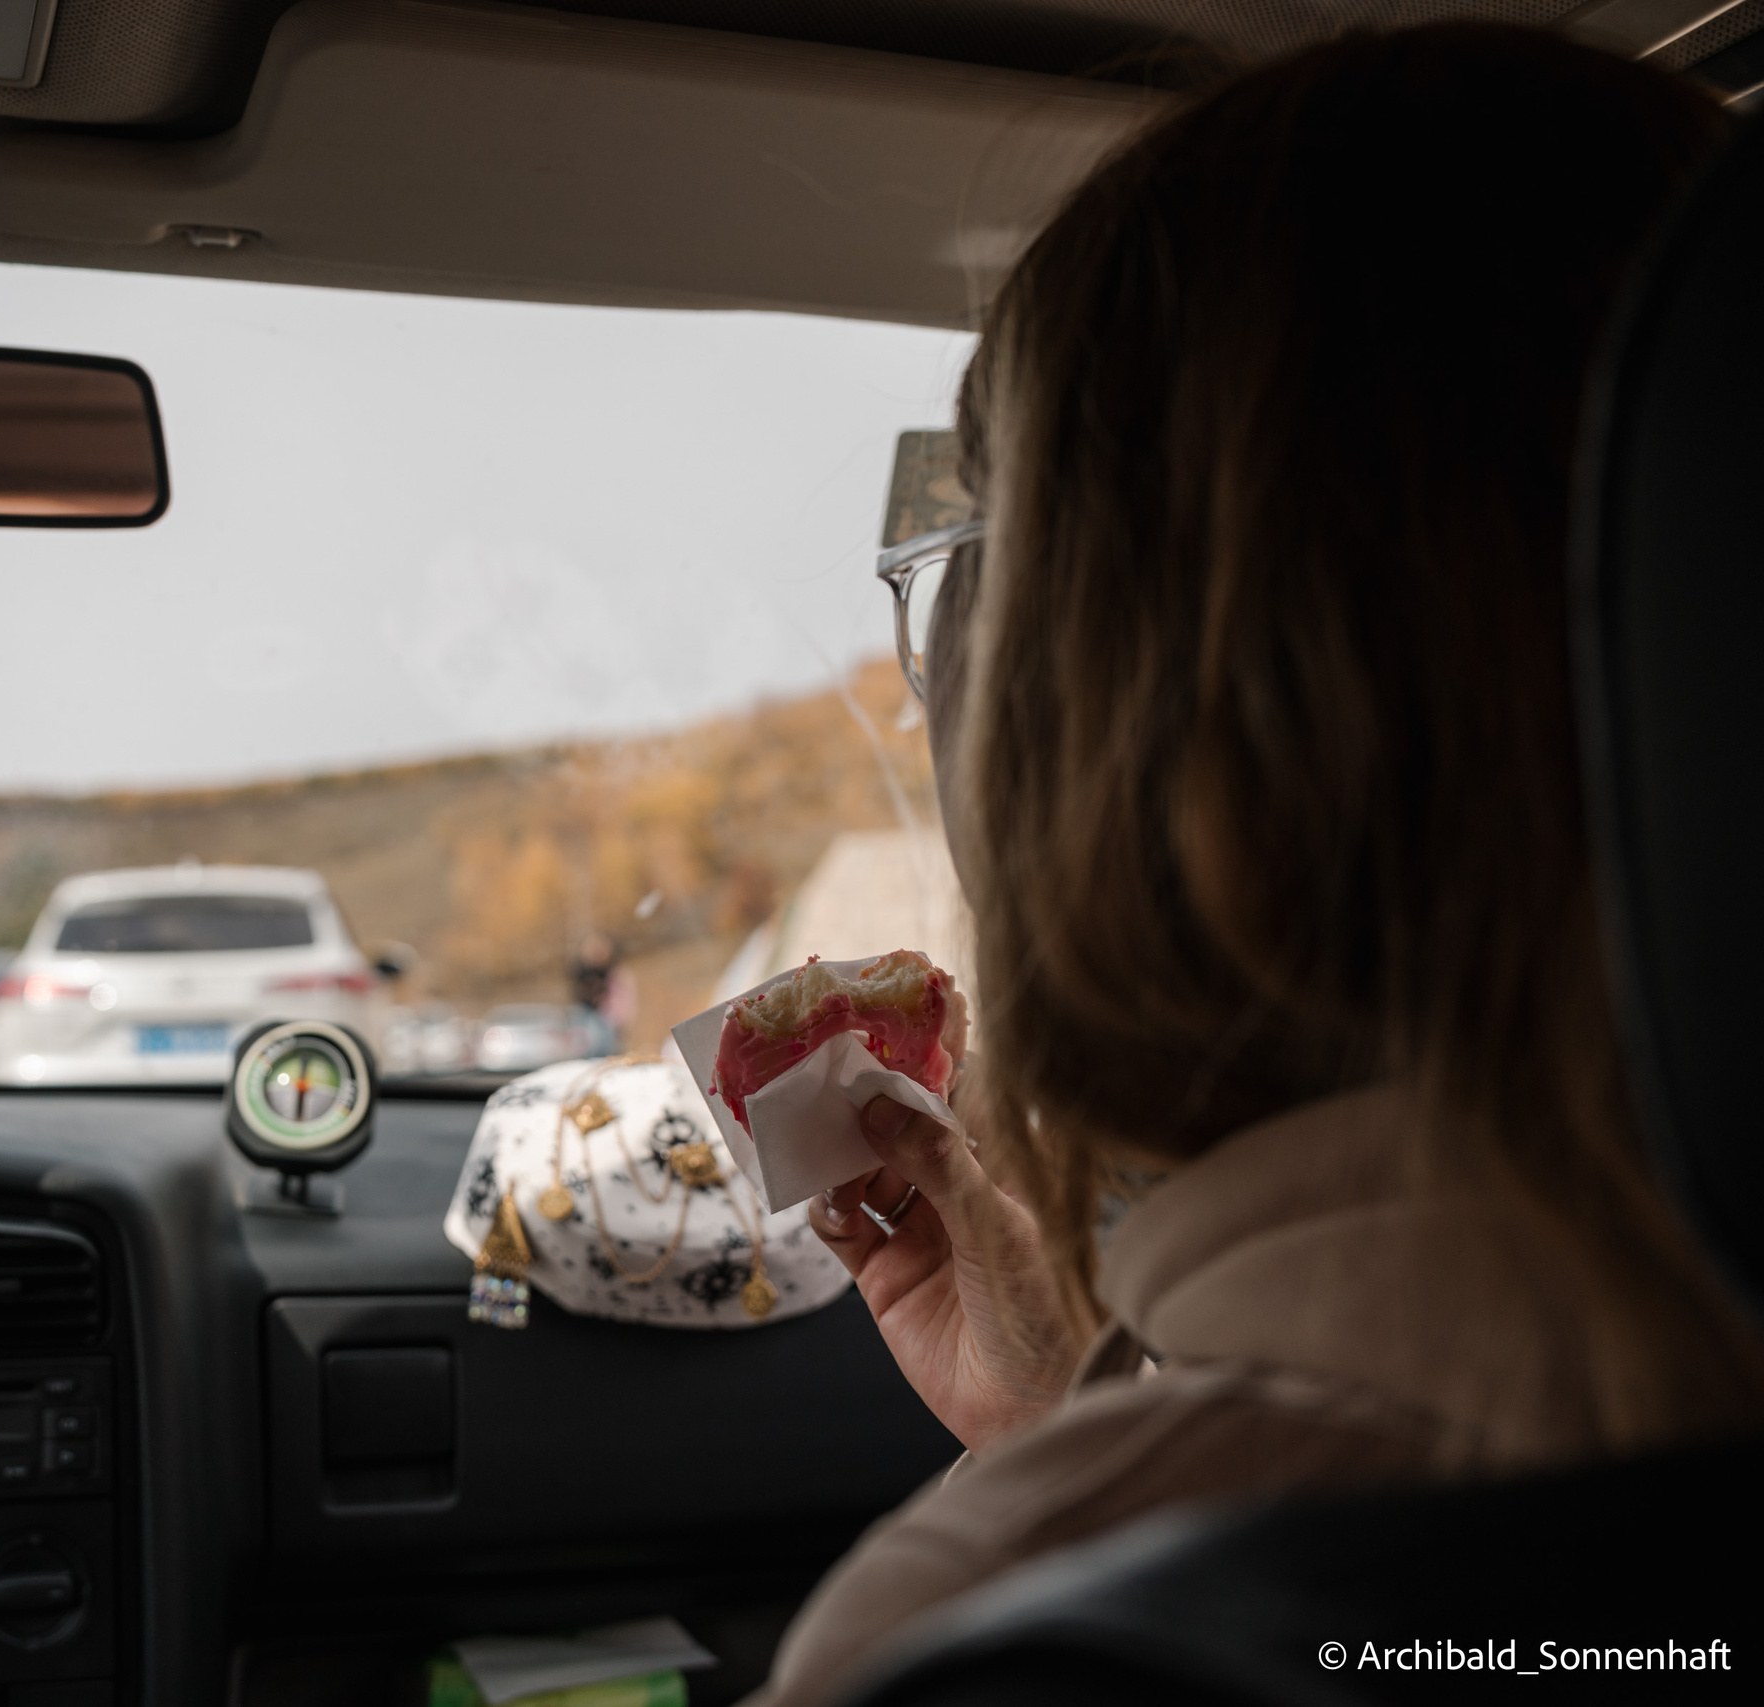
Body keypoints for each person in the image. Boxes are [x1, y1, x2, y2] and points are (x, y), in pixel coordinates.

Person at [755, 27, 1764, 1707]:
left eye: (979, 571)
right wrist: (1089, 1418)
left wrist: (1086, 1487)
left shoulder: (1021, 1650)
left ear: (1136, 752)